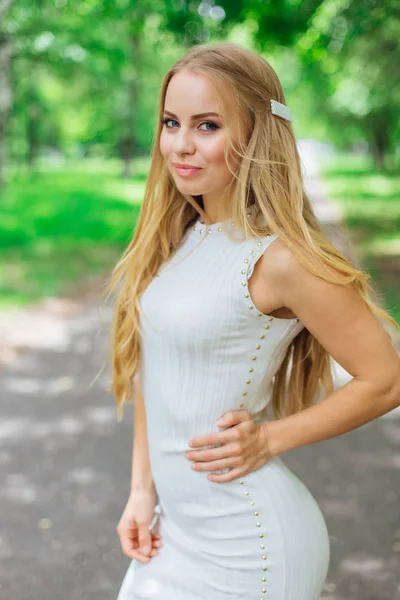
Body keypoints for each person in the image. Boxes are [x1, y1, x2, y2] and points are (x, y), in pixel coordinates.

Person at [102, 41, 400, 600]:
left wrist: (269, 438)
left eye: (207, 125)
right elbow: (155, 372)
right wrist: (141, 491)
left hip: (250, 547)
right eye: (171, 122)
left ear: (257, 133)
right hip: (174, 533)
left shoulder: (279, 258)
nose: (181, 144)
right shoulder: (179, 238)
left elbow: (387, 378)